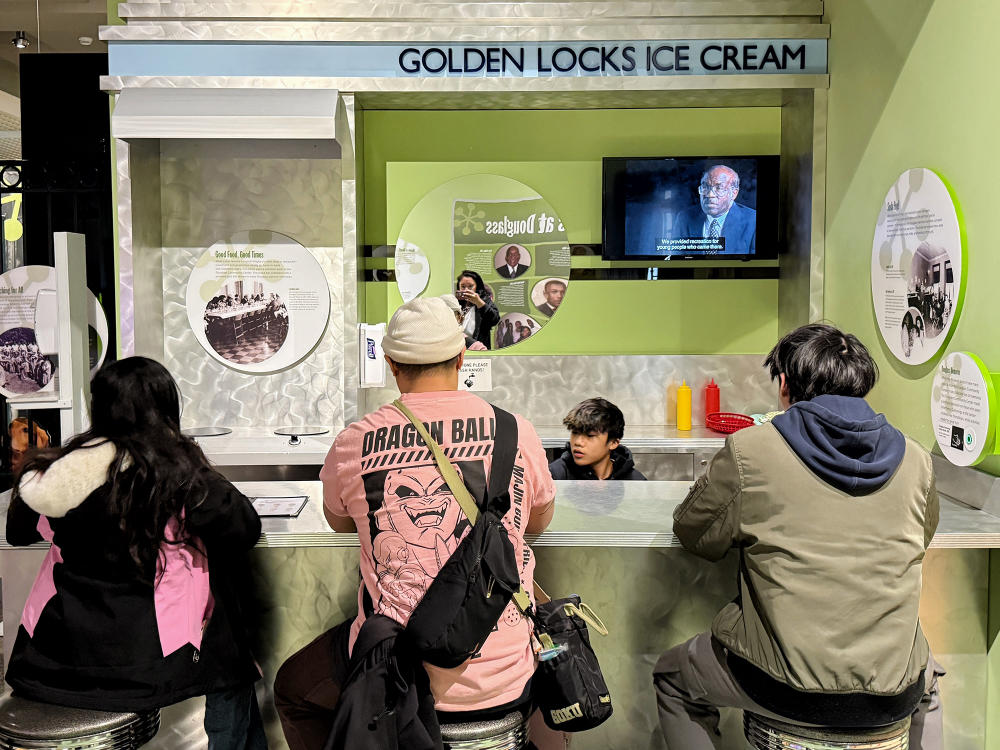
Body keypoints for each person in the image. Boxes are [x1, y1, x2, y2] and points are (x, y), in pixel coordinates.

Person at [273, 297, 563, 749]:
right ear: (463, 357)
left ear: (391, 364)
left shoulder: (356, 440)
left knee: (293, 688)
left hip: (401, 675)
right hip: (508, 673)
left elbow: (338, 521)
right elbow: (537, 522)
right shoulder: (515, 431)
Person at [653, 323, 943, 750]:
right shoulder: (917, 459)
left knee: (672, 677)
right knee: (928, 683)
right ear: (861, 384)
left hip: (783, 690)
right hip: (891, 696)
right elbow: (924, 534)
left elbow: (696, 533)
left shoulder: (752, 450)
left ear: (785, 384)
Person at [5, 357, 266, 750]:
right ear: (164, 409)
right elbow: (243, 527)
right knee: (231, 656)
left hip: (53, 660)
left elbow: (18, 532)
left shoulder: (58, 471)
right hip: (146, 666)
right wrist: (185, 458)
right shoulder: (173, 473)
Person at [549, 397, 646, 481]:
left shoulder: (635, 482)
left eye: (590, 435)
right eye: (575, 433)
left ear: (613, 443)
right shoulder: (554, 476)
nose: (578, 442)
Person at [672, 165, 756, 255]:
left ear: (734, 193)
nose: (710, 194)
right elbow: (677, 260)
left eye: (719, 188)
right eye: (705, 187)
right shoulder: (684, 218)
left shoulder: (753, 220)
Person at [456, 270, 500, 350]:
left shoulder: (484, 300)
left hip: (478, 349)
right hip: (458, 348)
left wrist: (479, 302)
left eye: (470, 286)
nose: (466, 290)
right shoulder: (456, 303)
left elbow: (494, 319)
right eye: (463, 286)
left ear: (477, 287)